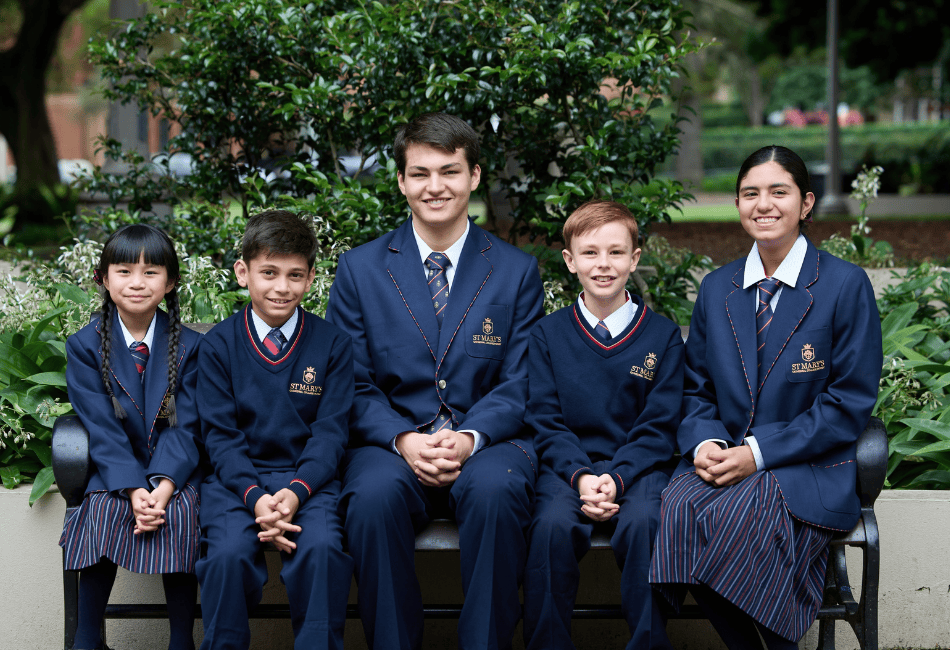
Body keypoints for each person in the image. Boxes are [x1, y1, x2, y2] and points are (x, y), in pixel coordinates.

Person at [649, 146, 883, 650]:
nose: (764, 204)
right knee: (673, 507)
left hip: (810, 466)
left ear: (806, 203)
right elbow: (696, 389)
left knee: (741, 511)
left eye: (779, 192)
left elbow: (848, 403)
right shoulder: (718, 289)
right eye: (750, 193)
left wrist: (756, 455)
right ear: (737, 204)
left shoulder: (844, 286)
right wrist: (705, 441)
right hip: (727, 457)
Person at [325, 112, 544, 649]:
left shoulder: (516, 271)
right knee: (372, 496)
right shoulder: (360, 269)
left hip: (488, 441)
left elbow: (523, 381)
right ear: (401, 181)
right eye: (420, 173)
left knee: (496, 491)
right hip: (391, 441)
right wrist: (403, 438)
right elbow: (349, 380)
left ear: (473, 176)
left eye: (449, 171)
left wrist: (469, 439)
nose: (435, 186)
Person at [522, 200, 683, 650]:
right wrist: (582, 475)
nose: (603, 264)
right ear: (570, 261)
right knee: (551, 527)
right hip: (567, 470)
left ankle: (649, 642)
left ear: (635, 258)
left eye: (616, 252)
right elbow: (545, 419)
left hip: (639, 470)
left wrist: (616, 476)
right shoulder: (547, 335)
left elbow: (659, 423)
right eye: (590, 253)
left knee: (647, 524)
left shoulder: (663, 336)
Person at [195, 210, 354, 649]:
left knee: (321, 553)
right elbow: (221, 438)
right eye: (269, 272)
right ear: (243, 273)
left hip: (310, 483)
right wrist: (255, 497)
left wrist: (296, 492)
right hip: (235, 485)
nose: (282, 287)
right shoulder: (218, 346)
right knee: (226, 558)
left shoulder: (333, 344)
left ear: (311, 278)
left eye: (294, 275)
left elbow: (330, 433)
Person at [60, 224, 202, 650]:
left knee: (179, 513)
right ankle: (88, 636)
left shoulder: (191, 347)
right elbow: (99, 425)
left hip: (174, 468)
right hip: (114, 466)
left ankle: (181, 639)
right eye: (123, 271)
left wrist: (162, 485)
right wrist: (130, 485)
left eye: (151, 272)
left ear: (171, 281)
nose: (137, 283)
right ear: (103, 279)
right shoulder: (85, 346)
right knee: (102, 507)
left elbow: (189, 425)